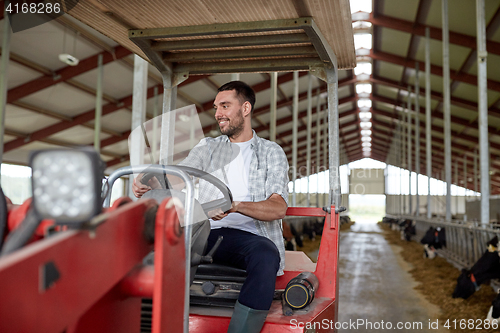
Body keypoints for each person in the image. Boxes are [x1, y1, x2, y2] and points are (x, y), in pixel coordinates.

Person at [132, 81, 289, 333]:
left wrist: (235, 206)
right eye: (216, 107)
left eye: (225, 106)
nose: (218, 113)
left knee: (265, 254)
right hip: (201, 231)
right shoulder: (208, 147)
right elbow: (178, 177)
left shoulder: (271, 152)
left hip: (247, 238)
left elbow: (278, 207)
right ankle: (149, 322)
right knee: (146, 246)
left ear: (245, 108)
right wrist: (148, 180)